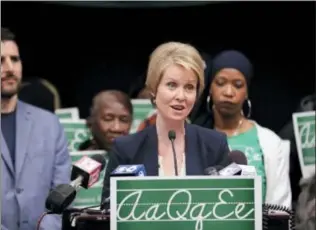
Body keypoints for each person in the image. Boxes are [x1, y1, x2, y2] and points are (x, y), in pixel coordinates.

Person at [101, 41, 231, 201]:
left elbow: (227, 207)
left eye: (189, 87)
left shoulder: (215, 145)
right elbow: (108, 214)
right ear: (154, 90)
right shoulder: (126, 150)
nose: (181, 96)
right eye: (172, 85)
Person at [191, 50, 292, 208]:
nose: (229, 92)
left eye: (238, 85)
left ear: (246, 92)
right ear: (210, 88)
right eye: (221, 83)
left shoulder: (271, 142)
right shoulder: (193, 138)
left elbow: (280, 204)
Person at [1, 27, 72, 230]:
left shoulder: (49, 124)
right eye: (1, 61)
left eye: (15, 59)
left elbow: (62, 191)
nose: (10, 68)